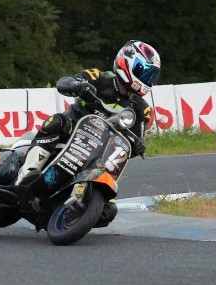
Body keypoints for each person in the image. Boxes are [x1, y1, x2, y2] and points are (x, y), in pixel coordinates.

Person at [14, 40, 161, 225]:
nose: (147, 79)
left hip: (98, 150)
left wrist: (137, 145)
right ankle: (28, 171)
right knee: (58, 122)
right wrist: (77, 85)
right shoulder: (99, 77)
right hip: (72, 130)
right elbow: (64, 82)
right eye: (143, 72)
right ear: (126, 63)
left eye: (151, 75)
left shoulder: (142, 109)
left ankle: (68, 206)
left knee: (108, 212)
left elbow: (131, 142)